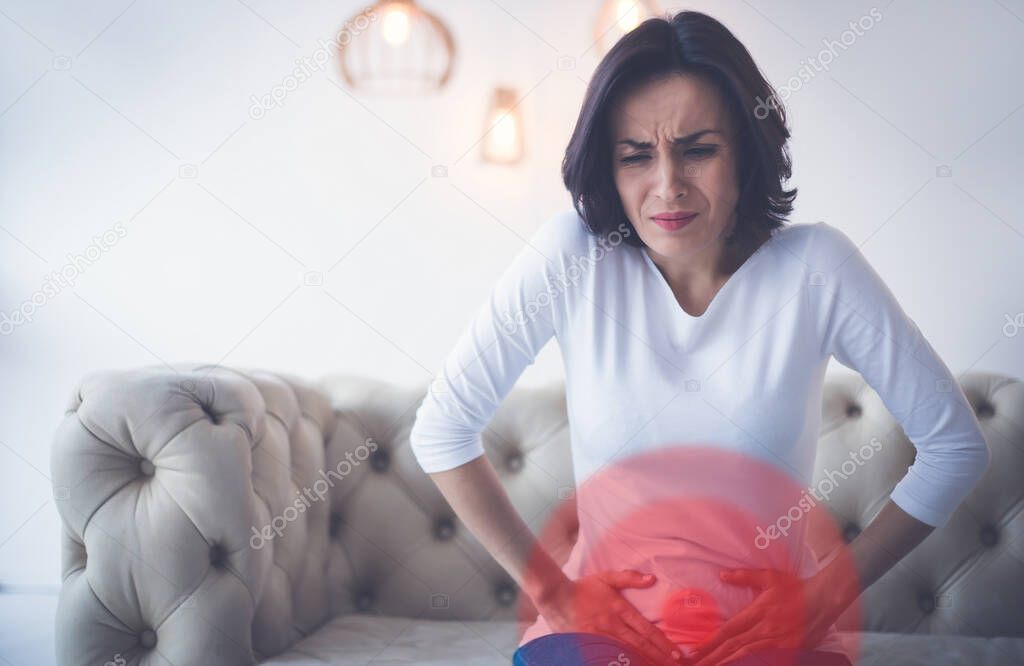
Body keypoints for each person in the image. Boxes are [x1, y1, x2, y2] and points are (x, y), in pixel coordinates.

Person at [409, 10, 990, 666]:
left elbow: (955, 446)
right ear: (608, 164)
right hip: (600, 642)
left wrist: (824, 597)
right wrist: (555, 594)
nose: (668, 186)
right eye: (635, 156)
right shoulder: (572, 258)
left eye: (698, 149)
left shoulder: (816, 268)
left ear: (746, 149)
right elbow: (442, 429)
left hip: (768, 643)